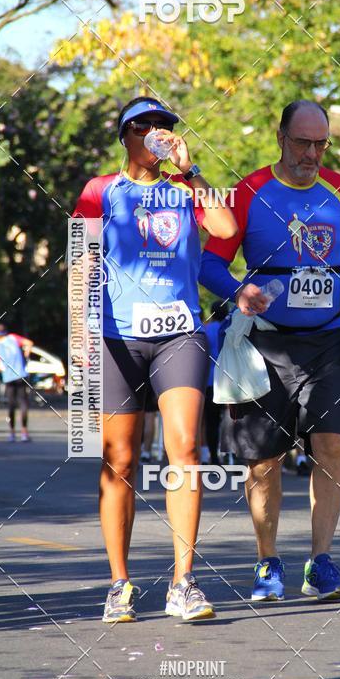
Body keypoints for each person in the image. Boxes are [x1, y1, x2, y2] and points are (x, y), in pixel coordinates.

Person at [200, 99, 340, 602]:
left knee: (332, 446)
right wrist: (239, 290)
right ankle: (268, 562)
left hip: (328, 341)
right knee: (264, 461)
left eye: (321, 144)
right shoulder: (248, 192)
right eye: (302, 142)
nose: (312, 154)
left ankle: (320, 563)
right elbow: (210, 263)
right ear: (280, 138)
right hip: (266, 343)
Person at [72, 96, 236, 624]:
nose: (154, 132)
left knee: (184, 450)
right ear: (124, 136)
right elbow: (79, 262)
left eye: (163, 124)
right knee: (120, 460)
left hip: (179, 334)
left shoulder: (185, 189)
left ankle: (183, 583)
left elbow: (226, 228)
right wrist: (80, 334)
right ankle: (119, 584)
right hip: (116, 336)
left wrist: (193, 170)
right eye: (142, 125)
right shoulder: (101, 190)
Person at [202, 301, 228, 464]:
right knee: (231, 419)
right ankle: (232, 454)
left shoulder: (205, 330)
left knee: (211, 421)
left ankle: (213, 456)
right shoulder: (229, 328)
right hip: (229, 380)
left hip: (210, 380)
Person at [0, 324, 32, 442]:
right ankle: (24, 433)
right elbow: (29, 343)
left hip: (9, 378)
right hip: (21, 375)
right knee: (23, 403)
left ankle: (12, 433)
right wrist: (26, 354)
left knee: (11, 405)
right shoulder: (13, 338)